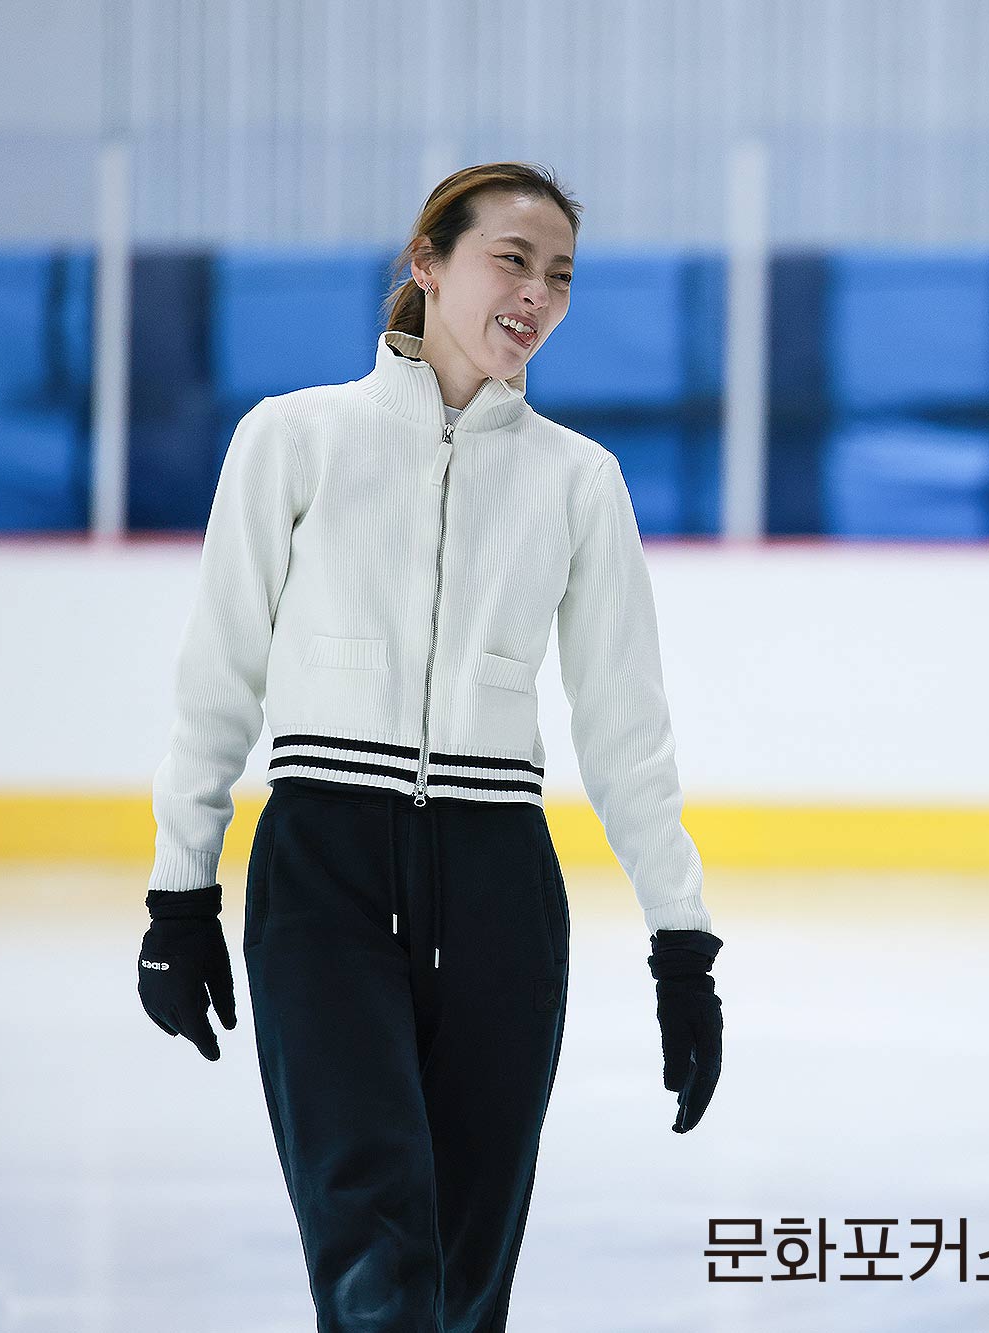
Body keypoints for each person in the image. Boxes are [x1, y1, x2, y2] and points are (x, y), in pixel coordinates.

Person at [134, 162, 725, 1333]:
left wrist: (682, 946)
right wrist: (178, 894)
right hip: (323, 877)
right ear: (427, 261)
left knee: (462, 1271)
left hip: (500, 883)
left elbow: (625, 731)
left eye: (558, 275)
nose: (536, 295)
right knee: (373, 1246)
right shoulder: (291, 439)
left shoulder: (578, 482)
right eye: (511, 259)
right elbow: (217, 681)